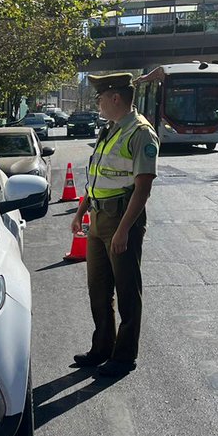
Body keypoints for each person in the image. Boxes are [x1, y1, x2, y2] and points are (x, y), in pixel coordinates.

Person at [71, 71, 159, 377]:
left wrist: (123, 230)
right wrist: (81, 210)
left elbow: (143, 187)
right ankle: (102, 348)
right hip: (98, 216)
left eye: (99, 98)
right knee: (98, 288)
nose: (97, 103)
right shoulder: (109, 129)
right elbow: (97, 176)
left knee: (126, 290)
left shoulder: (140, 133)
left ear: (115, 98)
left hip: (122, 218)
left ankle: (123, 357)